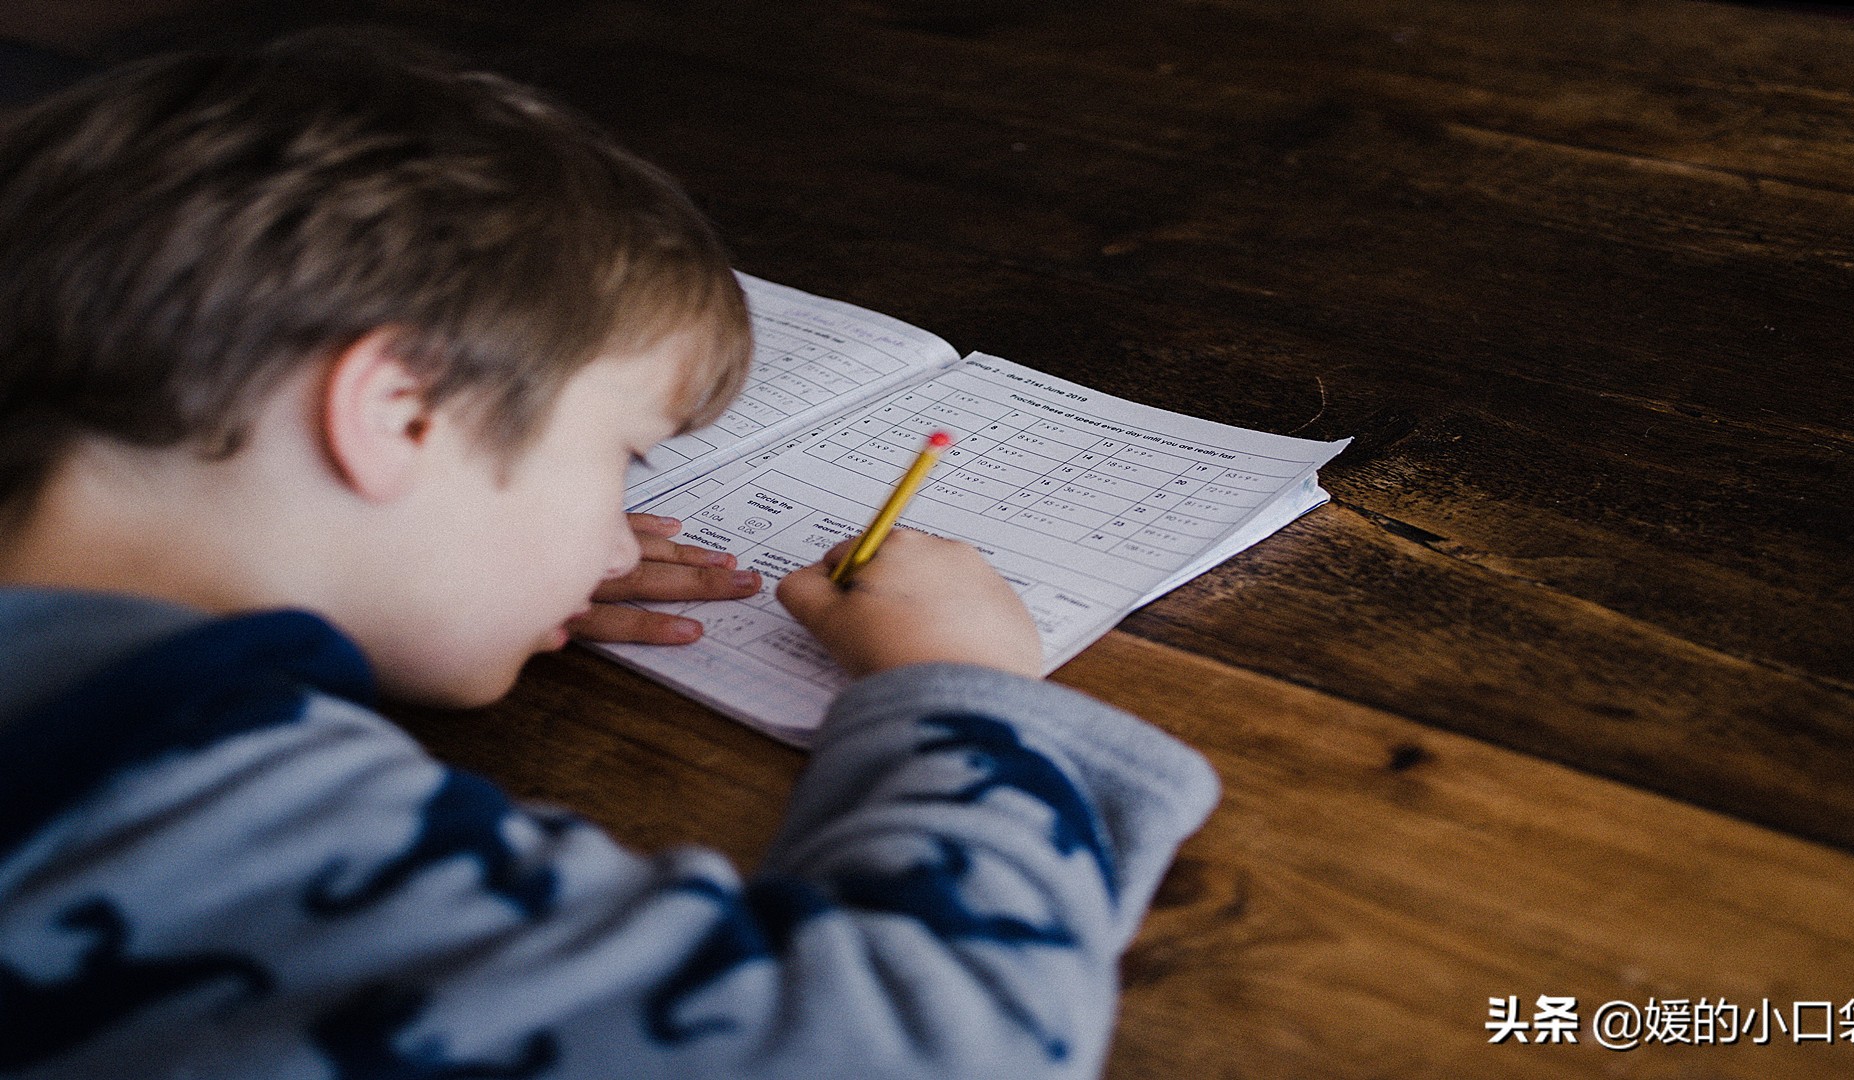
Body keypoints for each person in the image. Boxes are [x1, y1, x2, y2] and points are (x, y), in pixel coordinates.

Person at [0, 32, 1219, 1080]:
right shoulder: (173, 802)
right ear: (401, 415)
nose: (609, 539)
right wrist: (966, 696)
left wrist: (433, 580)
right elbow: (935, 1046)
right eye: (623, 458)